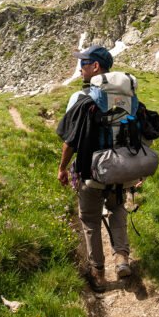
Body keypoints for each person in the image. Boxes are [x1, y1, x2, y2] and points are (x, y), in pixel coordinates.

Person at [56, 45, 132, 292]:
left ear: (95, 67)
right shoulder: (126, 96)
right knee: (117, 208)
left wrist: (62, 168)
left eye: (84, 63)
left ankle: (98, 273)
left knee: (90, 220)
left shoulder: (80, 99)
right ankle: (121, 257)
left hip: (91, 171)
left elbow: (70, 141)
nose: (80, 68)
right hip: (122, 168)